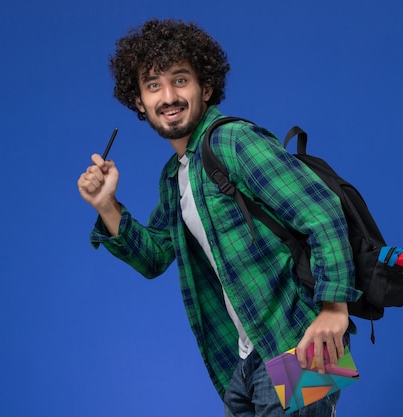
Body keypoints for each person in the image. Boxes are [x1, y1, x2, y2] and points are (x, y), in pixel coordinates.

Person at [77, 18, 361, 417]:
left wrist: (335, 310)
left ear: (205, 88)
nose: (168, 96)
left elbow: (322, 210)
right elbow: (155, 257)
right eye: (153, 85)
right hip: (244, 359)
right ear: (139, 102)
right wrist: (107, 205)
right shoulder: (175, 174)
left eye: (180, 80)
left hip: (303, 342)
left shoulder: (233, 140)